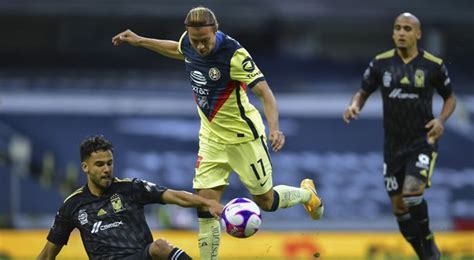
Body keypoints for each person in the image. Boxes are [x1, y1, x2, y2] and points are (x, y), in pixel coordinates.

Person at [112, 6, 324, 259]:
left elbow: (265, 93)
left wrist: (275, 128)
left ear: (216, 31)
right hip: (211, 139)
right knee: (205, 206)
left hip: (243, 138)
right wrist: (140, 40)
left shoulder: (234, 55)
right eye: (195, 41)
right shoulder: (188, 43)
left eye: (205, 41)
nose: (200, 47)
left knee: (265, 202)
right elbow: (177, 49)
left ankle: (306, 194)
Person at [343, 13, 456, 260]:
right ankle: (424, 254)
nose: (401, 33)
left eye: (407, 28)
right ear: (393, 33)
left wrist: (441, 120)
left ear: (418, 34)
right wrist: (354, 106)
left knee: (413, 193)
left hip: (422, 141)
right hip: (393, 146)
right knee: (399, 207)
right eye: (397, 28)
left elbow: (450, 97)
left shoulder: (432, 65)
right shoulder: (380, 64)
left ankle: (428, 243)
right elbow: (362, 92)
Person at [37, 135, 223, 260]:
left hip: (140, 256)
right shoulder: (73, 205)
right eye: (99, 164)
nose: (106, 169)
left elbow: (175, 196)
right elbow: (47, 254)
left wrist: (208, 202)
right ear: (85, 167)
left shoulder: (131, 188)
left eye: (109, 163)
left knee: (160, 247)